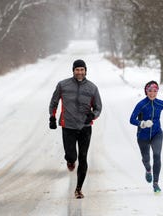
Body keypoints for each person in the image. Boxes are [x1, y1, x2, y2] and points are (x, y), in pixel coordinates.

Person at [49, 59, 102, 199]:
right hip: (68, 126)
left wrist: (92, 116)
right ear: (73, 71)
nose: (80, 72)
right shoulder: (63, 85)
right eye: (77, 70)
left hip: (85, 127)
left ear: (85, 71)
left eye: (82, 70)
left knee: (83, 157)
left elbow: (98, 107)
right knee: (72, 155)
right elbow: (54, 102)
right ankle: (70, 160)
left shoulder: (92, 88)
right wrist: (52, 117)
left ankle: (78, 189)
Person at [130, 80, 163, 193]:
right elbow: (131, 119)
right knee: (146, 159)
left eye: (155, 91)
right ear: (146, 91)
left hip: (157, 133)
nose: (152, 93)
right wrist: (142, 123)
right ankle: (148, 169)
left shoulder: (160, 103)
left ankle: (156, 183)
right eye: (150, 91)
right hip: (143, 136)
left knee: (157, 155)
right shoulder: (141, 104)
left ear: (157, 92)